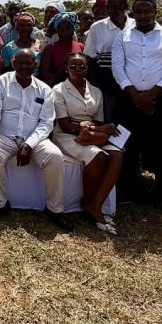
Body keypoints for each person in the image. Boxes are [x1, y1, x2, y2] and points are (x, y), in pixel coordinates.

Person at [0, 49, 72, 231]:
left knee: (55, 157)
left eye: (28, 63)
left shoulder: (44, 90)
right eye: (20, 63)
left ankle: (54, 209)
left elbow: (46, 123)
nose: (24, 67)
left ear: (35, 64)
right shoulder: (1, 82)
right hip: (5, 136)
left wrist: (29, 144)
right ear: (13, 64)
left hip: (35, 139)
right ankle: (0, 204)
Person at [111, 0, 162, 206]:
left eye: (147, 11)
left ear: (155, 12)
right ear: (133, 13)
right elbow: (117, 68)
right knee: (128, 145)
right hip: (129, 99)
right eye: (139, 12)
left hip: (161, 100)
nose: (143, 15)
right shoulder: (122, 36)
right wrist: (136, 96)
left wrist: (150, 95)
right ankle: (128, 189)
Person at [51, 53, 122, 235]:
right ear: (66, 68)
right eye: (73, 66)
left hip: (91, 133)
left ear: (87, 68)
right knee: (96, 155)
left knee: (117, 154)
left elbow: (98, 120)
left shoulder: (95, 91)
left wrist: (99, 128)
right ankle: (88, 202)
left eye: (82, 66)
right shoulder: (58, 90)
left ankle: (95, 204)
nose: (77, 70)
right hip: (67, 134)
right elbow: (65, 125)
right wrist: (87, 127)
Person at [84, 0, 134, 123]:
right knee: (110, 118)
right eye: (109, 7)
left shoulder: (136, 25)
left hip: (133, 81)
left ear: (126, 7)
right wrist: (98, 85)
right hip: (107, 82)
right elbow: (90, 57)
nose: (112, 11)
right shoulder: (97, 27)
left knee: (130, 120)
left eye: (117, 7)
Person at [39, 13, 86, 86]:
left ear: (73, 29)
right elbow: (45, 74)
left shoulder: (81, 46)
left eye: (68, 27)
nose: (64, 31)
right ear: (57, 30)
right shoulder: (50, 49)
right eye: (60, 28)